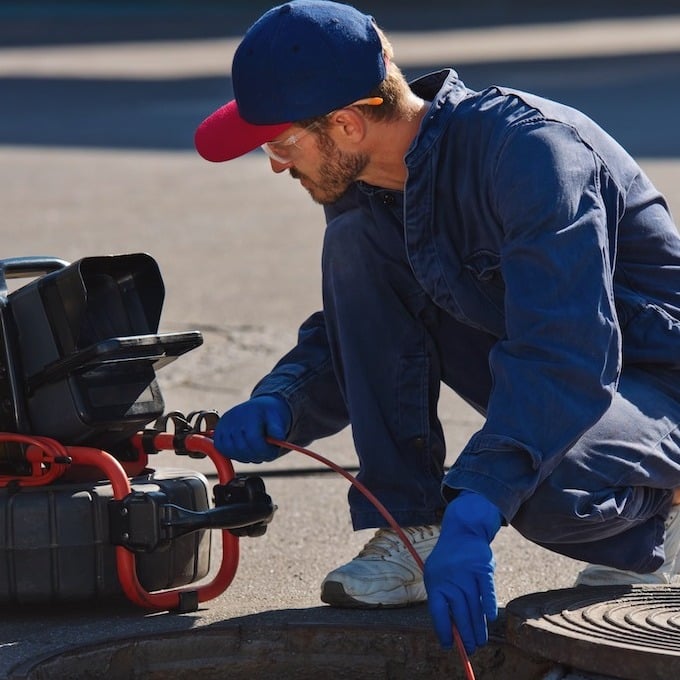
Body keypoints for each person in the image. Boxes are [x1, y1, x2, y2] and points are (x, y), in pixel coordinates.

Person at [194, 0, 680, 656]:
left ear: (345, 124)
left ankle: (663, 514)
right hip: (577, 372)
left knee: (534, 486)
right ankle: (410, 530)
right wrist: (283, 399)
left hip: (653, 383)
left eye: (281, 144)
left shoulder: (532, 155)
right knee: (356, 246)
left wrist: (479, 508)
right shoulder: (368, 186)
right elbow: (368, 327)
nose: (276, 164)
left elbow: (566, 350)